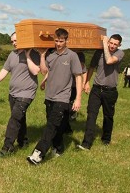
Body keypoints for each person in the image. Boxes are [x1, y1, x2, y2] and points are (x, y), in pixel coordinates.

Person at [27, 28, 82, 165]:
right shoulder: (51, 55)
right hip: (49, 96)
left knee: (50, 126)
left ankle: (38, 153)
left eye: (61, 41)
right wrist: (41, 56)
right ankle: (59, 148)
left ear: (66, 40)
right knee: (55, 126)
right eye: (56, 41)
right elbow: (45, 71)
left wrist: (78, 98)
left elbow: (78, 77)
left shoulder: (72, 56)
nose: (58, 43)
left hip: (62, 98)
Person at [0, 33, 41, 157]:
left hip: (26, 93)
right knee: (20, 118)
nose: (14, 43)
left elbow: (36, 71)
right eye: (12, 41)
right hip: (13, 93)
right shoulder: (12, 54)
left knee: (14, 118)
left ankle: (7, 147)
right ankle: (23, 141)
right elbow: (5, 69)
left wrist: (27, 55)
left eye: (16, 40)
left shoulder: (34, 53)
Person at [77, 34, 124, 151]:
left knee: (108, 116)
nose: (112, 46)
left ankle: (106, 139)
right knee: (91, 115)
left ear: (119, 45)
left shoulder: (120, 53)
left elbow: (109, 60)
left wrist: (104, 43)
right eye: (111, 43)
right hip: (97, 89)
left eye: (115, 44)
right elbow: (91, 67)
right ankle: (86, 143)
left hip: (110, 91)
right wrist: (86, 82)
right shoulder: (98, 53)